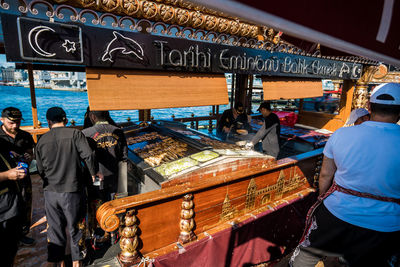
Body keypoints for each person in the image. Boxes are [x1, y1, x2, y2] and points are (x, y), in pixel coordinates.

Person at [290, 83, 400, 267]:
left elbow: (325, 175)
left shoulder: (341, 134)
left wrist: (322, 197)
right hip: (385, 223)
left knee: (306, 257)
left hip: (336, 210)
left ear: (370, 107)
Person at [35, 107, 101, 267]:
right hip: (72, 190)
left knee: (54, 228)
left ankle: (54, 263)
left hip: (51, 192)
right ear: (65, 120)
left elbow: (40, 169)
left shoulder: (42, 140)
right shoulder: (75, 134)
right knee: (74, 228)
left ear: (48, 121)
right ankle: (77, 262)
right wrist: (93, 173)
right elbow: (89, 155)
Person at [82, 110, 128, 245]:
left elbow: (84, 159)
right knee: (113, 205)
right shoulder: (118, 131)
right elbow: (123, 157)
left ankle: (99, 237)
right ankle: (115, 235)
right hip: (114, 176)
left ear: (92, 116)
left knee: (97, 206)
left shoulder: (86, 133)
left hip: (95, 178)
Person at [0, 107, 36, 246]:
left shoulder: (25, 136)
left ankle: (23, 232)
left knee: (25, 202)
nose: (15, 126)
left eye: (18, 122)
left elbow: (30, 152)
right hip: (5, 179)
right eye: (11, 123)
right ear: (2, 120)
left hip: (23, 176)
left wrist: (29, 156)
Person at [0, 139, 27, 267]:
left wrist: (15, 155)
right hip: (3, 210)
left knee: (11, 248)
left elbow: (16, 150)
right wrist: (7, 175)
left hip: (11, 205)